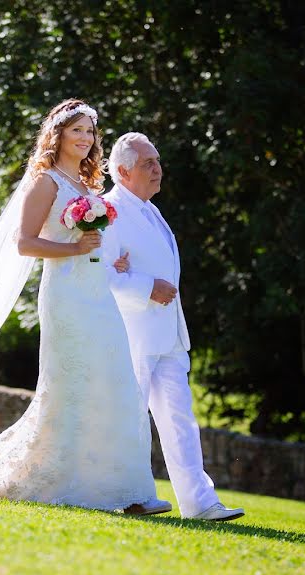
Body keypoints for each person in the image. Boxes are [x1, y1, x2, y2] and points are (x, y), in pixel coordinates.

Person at [0, 100, 157, 510]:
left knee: (116, 382)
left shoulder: (86, 186)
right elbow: (25, 243)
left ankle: (126, 491)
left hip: (98, 293)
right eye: (77, 130)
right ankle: (68, 483)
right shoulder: (46, 183)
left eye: (90, 132)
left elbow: (87, 246)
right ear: (58, 134)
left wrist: (102, 256)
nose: (85, 138)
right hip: (66, 296)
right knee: (72, 387)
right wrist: (76, 247)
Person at [103, 132, 244, 521]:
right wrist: (148, 288)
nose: (157, 168)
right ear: (121, 171)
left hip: (168, 335)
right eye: (147, 163)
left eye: (157, 160)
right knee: (131, 418)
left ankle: (200, 503)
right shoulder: (107, 212)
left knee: (181, 419)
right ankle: (131, 494)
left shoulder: (152, 210)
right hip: (133, 333)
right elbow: (103, 279)